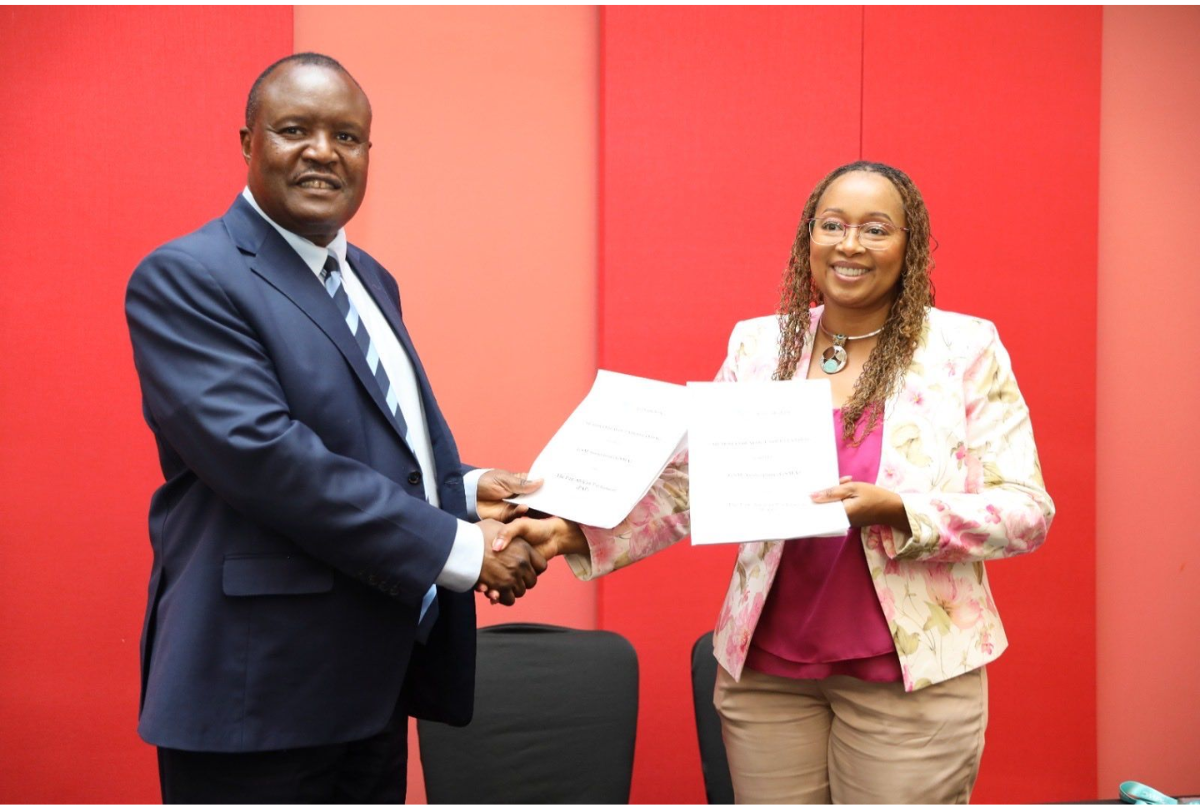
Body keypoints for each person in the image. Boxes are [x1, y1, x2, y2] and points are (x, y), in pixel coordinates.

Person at [494, 161, 1054, 803]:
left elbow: (1025, 511)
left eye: (876, 229)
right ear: (808, 238)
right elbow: (692, 483)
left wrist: (898, 510)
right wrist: (570, 533)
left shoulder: (963, 348)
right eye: (832, 225)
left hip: (911, 679)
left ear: (911, 245)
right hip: (767, 679)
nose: (849, 244)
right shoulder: (760, 347)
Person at [125, 52, 547, 803]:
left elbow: (376, 444)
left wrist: (466, 490)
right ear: (247, 141)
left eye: (347, 137)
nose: (324, 151)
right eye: (296, 129)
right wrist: (463, 548)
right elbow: (269, 459)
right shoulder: (189, 275)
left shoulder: (370, 278)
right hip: (257, 696)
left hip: (370, 687)